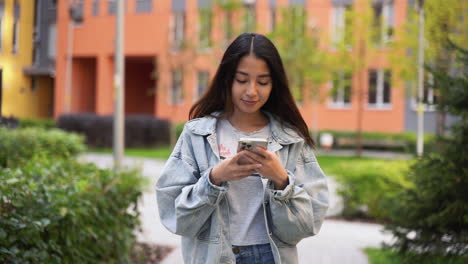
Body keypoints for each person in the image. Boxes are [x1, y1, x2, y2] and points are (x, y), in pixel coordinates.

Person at [156, 33, 329, 264]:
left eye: (263, 82)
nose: (252, 91)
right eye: (242, 80)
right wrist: (215, 178)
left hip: (271, 257)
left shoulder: (291, 139)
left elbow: (308, 224)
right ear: (227, 79)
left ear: (274, 84)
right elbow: (175, 216)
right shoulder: (197, 134)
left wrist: (281, 180)